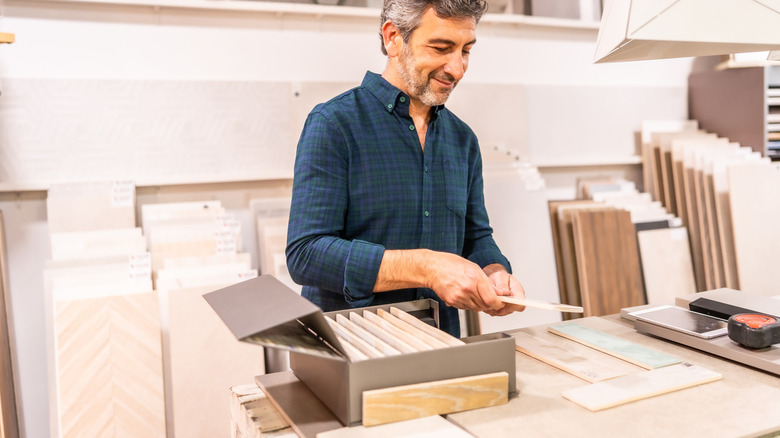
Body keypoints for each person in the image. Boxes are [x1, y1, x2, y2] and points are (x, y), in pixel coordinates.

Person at [285, 0, 526, 337]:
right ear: (393, 38)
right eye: (441, 48)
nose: (456, 69)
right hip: (354, 345)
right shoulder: (335, 124)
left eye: (466, 51)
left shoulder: (462, 139)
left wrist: (495, 272)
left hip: (440, 339)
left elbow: (476, 237)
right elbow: (306, 255)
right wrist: (425, 267)